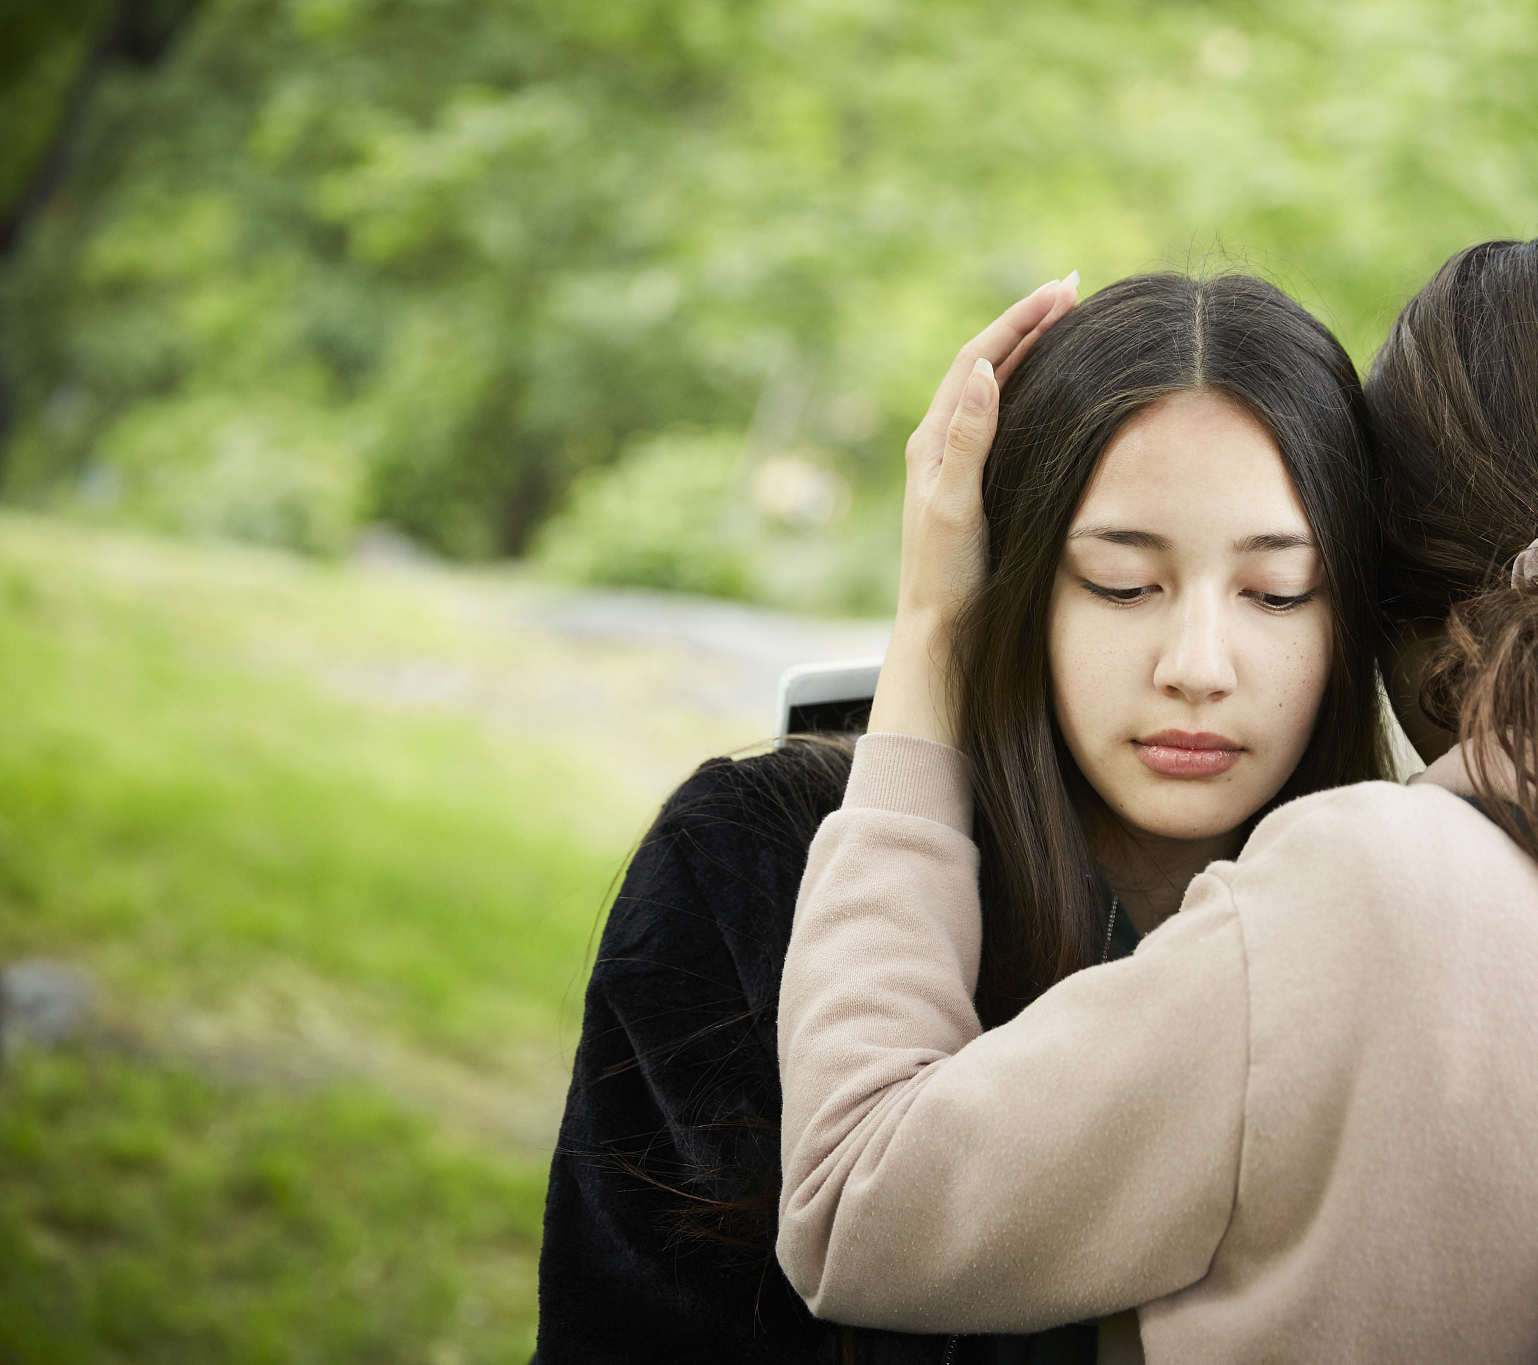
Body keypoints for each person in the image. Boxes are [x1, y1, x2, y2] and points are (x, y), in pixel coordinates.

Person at [775, 235, 1538, 1363]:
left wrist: (934, 623)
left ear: (1378, 584)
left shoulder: (1360, 899)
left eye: (1281, 589)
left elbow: (852, 1205)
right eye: (1121, 583)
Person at [535, 271, 1394, 1363]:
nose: (1197, 668)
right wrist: (934, 621)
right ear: (1016, 571)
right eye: (1121, 582)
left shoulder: (1400, 936)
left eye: (1276, 593)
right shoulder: (747, 862)